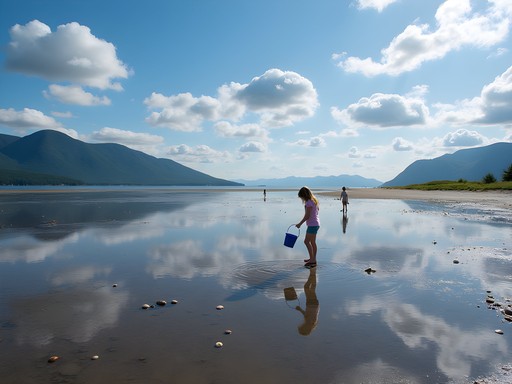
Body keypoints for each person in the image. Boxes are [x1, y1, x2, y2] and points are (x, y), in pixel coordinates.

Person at [295, 186, 320, 267]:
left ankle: (312, 260)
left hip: (312, 225)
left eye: (301, 197)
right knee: (312, 242)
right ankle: (313, 259)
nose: (302, 199)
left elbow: (307, 216)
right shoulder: (314, 201)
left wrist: (299, 224)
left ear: (304, 195)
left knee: (306, 241)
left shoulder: (308, 203)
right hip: (315, 224)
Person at [295, 267, 319, 335]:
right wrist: (299, 309)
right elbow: (306, 315)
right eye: (301, 326)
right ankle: (312, 275)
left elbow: (306, 315)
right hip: (310, 304)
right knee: (306, 287)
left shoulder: (313, 323)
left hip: (315, 305)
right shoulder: (309, 322)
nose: (300, 325)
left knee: (312, 289)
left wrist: (300, 309)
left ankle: (313, 275)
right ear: (304, 327)